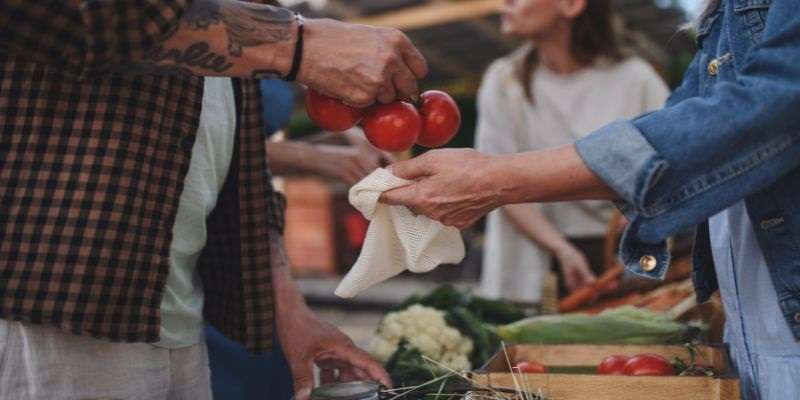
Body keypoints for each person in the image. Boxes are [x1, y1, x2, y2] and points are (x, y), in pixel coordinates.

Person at [0, 1, 428, 399]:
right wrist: (295, 43)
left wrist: (292, 314)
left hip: (176, 320)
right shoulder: (265, 30)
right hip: (54, 308)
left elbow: (234, 168)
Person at [382, 0, 800, 398]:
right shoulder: (506, 78)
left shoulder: (634, 73)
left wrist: (500, 179)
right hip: (749, 327)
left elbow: (770, 106)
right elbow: (693, 120)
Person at [206, 81, 392, 400]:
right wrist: (311, 156)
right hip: (204, 246)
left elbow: (243, 143)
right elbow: (201, 146)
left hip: (251, 242)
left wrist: (329, 142)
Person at [476, 0, 668, 303]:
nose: (505, 2)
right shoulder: (503, 80)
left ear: (571, 4)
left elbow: (673, 163)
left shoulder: (636, 79)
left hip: (621, 258)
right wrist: (561, 249)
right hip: (536, 258)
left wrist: (648, 208)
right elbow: (495, 181)